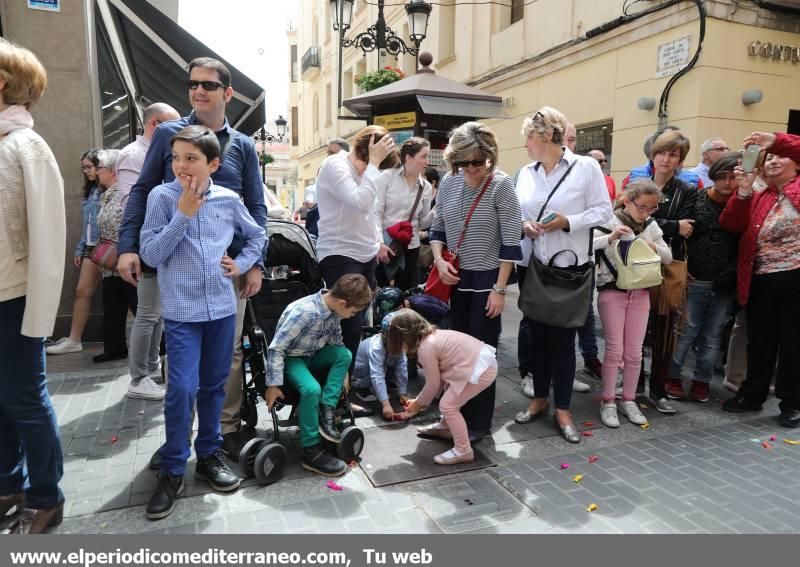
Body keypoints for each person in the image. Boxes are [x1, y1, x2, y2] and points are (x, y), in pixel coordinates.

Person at [117, 57, 267, 462]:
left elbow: (255, 208)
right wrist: (128, 246)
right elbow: (144, 190)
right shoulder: (170, 134)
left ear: (227, 93)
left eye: (208, 85)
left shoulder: (243, 146)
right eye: (192, 83)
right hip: (176, 265)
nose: (199, 90)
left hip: (226, 271)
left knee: (229, 357)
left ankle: (221, 436)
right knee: (182, 371)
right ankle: (176, 447)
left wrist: (254, 263)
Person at [139, 125, 266, 520]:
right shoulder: (162, 197)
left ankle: (209, 454)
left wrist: (242, 264)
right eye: (175, 157)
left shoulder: (228, 199)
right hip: (181, 313)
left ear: (212, 164)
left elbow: (258, 235)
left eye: (190, 158)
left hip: (222, 311)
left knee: (214, 385)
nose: (181, 165)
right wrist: (182, 215)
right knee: (180, 388)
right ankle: (174, 469)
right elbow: (151, 253)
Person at [0, 36, 67, 534]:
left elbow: (48, 237)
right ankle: (7, 482)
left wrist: (39, 319)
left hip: (16, 298)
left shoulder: (27, 146)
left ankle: (46, 496)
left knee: (24, 396)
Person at [513, 107, 611, 444]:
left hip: (571, 272)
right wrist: (524, 225)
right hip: (536, 269)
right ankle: (540, 399)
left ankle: (564, 410)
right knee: (537, 341)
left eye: (529, 136)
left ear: (545, 138)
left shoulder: (585, 167)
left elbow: (603, 211)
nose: (525, 144)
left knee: (564, 344)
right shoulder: (526, 173)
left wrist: (566, 222)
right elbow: (518, 215)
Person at [429, 121, 522, 444]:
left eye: (478, 162)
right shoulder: (449, 182)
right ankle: (450, 417)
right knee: (453, 357)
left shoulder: (502, 186)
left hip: (486, 284)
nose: (470, 168)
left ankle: (478, 424)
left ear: (490, 158)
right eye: (463, 162)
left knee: (481, 357)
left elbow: (511, 243)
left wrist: (500, 290)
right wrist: (439, 260)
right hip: (454, 283)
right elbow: (437, 228)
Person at [721, 131, 800, 428]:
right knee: (760, 342)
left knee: (793, 345)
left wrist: (775, 141)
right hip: (761, 278)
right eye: (770, 158)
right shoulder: (759, 195)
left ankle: (792, 403)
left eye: (782, 156)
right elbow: (730, 224)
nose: (774, 162)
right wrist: (742, 192)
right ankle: (752, 395)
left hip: (796, 277)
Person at [264, 274, 372, 476]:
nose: (352, 316)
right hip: (292, 358)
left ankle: (327, 410)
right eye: (353, 312)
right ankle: (311, 450)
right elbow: (276, 349)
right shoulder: (304, 312)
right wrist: (272, 385)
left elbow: (337, 342)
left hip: (313, 356)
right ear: (342, 303)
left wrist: (344, 375)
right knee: (312, 389)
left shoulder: (334, 311)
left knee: (344, 353)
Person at [315, 125, 398, 366]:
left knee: (357, 324)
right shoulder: (335, 165)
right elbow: (359, 202)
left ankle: (345, 387)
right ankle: (338, 391)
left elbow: (370, 212)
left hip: (366, 255)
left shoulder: (370, 170)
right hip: (340, 253)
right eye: (372, 164)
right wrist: (373, 164)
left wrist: (378, 242)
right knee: (347, 326)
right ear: (364, 151)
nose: (372, 171)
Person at [593, 180, 672, 428]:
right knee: (615, 350)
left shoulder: (650, 225)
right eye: (642, 207)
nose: (647, 212)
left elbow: (668, 257)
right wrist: (611, 238)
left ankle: (629, 400)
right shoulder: (609, 220)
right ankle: (608, 401)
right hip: (612, 291)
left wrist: (648, 243)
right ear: (627, 201)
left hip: (641, 293)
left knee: (635, 352)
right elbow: (587, 246)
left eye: (652, 208)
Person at [117, 103, 180, 400]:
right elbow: (133, 202)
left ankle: (149, 369)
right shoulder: (134, 155)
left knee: (157, 314)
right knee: (148, 313)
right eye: (172, 128)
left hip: (159, 240)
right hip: (149, 241)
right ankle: (138, 377)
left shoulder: (147, 152)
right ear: (155, 125)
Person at [667, 152, 740, 402]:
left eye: (733, 177)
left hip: (723, 281)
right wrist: (682, 267)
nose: (728, 183)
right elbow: (681, 234)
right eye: (723, 176)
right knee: (686, 330)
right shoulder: (696, 199)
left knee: (712, 335)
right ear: (714, 175)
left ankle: (702, 380)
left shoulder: (740, 204)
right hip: (693, 277)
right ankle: (673, 375)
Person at [390, 309, 497, 464]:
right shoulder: (431, 337)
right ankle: (444, 427)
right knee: (449, 394)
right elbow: (438, 381)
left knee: (448, 406)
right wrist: (419, 402)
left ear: (405, 336)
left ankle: (463, 451)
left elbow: (432, 385)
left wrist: (418, 404)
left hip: (481, 369)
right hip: (480, 364)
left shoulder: (426, 348)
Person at [639, 130, 697, 414]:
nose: (666, 158)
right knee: (635, 331)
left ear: (680, 160)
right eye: (662, 152)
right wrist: (673, 225)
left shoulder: (687, 191)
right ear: (653, 154)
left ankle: (658, 390)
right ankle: (635, 388)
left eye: (673, 154)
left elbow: (689, 229)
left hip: (668, 267)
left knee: (664, 332)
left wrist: (654, 221)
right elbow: (630, 219)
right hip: (636, 266)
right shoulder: (638, 185)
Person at [46, 149, 103, 355]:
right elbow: (86, 224)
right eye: (83, 168)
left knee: (127, 295)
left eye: (89, 167)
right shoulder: (92, 191)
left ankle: (155, 340)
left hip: (107, 246)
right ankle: (74, 339)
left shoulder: (110, 189)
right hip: (91, 247)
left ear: (100, 166)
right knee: (82, 292)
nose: (86, 171)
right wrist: (80, 248)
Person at [93, 149, 138, 363]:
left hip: (126, 260)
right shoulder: (106, 195)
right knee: (112, 306)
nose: (95, 172)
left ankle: (160, 348)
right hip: (109, 264)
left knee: (139, 306)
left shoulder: (124, 192)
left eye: (99, 167)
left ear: (112, 171)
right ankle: (114, 348)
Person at [375, 137, 434, 290]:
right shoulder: (387, 177)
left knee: (404, 293)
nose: (427, 161)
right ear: (408, 157)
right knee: (380, 291)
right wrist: (379, 244)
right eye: (424, 156)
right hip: (385, 245)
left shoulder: (425, 187)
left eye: (428, 156)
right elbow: (376, 213)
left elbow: (423, 223)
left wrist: (438, 210)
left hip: (410, 246)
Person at [353, 312, 409, 420]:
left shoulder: (397, 344)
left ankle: (378, 388)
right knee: (381, 369)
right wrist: (386, 404)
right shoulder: (377, 347)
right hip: (359, 367)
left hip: (380, 365)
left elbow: (402, 367)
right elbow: (377, 374)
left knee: (395, 365)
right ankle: (363, 388)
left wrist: (403, 392)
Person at [622, 126, 704, 190]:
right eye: (661, 152)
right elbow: (620, 208)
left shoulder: (693, 181)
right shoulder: (634, 176)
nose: (666, 160)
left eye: (673, 155)